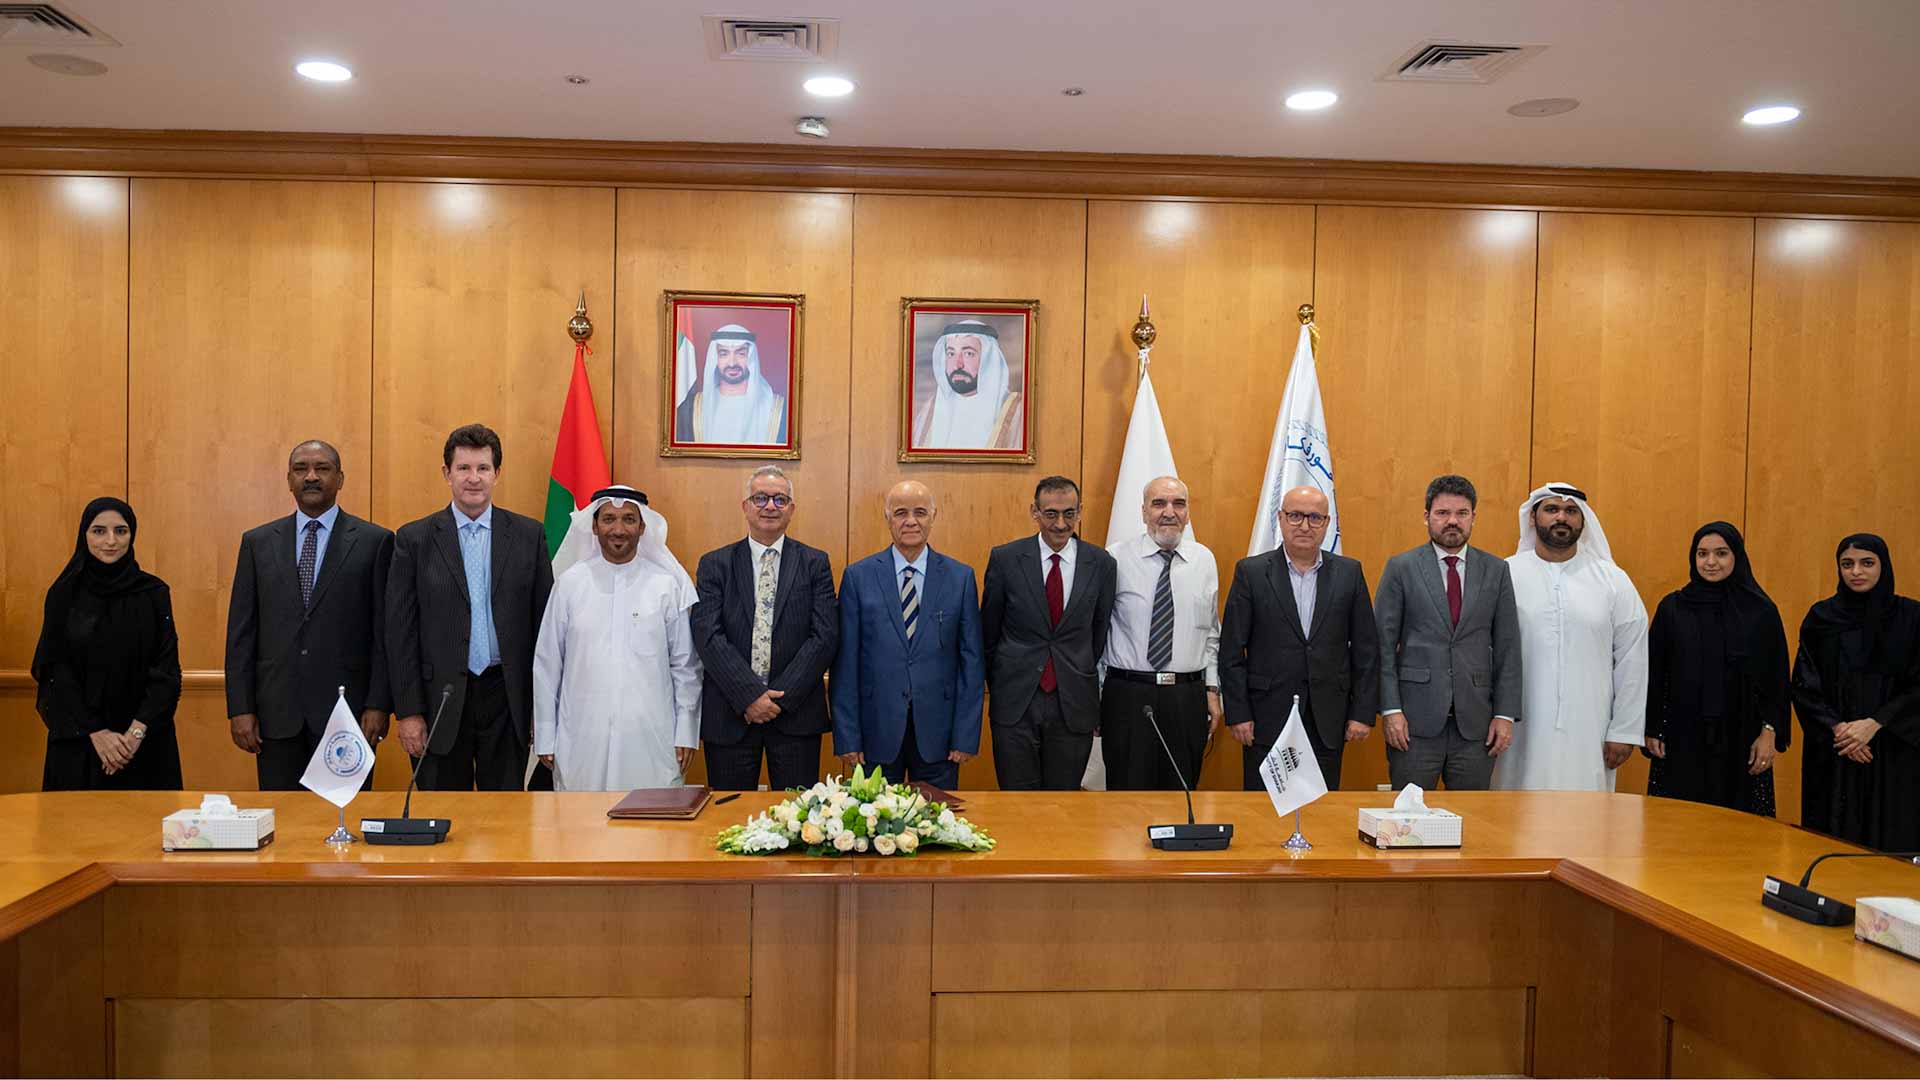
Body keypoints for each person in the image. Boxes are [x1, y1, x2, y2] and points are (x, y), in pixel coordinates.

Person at [386, 424, 554, 791]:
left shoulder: (528, 536)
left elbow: (546, 629)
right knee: (443, 812)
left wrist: (541, 711)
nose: (473, 478)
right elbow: (400, 634)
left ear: (497, 473)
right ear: (446, 473)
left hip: (507, 698)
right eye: (463, 468)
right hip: (439, 699)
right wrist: (409, 712)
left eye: (483, 468)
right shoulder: (414, 539)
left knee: (506, 814)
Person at [225, 440, 394, 790]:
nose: (311, 476)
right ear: (289, 479)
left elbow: (384, 633)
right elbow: (242, 633)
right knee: (282, 818)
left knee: (343, 815)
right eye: (301, 469)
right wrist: (240, 707)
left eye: (322, 468)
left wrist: (378, 703)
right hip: (276, 714)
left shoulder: (374, 542)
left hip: (348, 715)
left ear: (340, 479)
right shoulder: (257, 543)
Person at [533, 487, 702, 791]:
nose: (619, 529)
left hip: (651, 738)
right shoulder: (570, 584)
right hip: (581, 739)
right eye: (609, 519)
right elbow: (547, 665)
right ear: (594, 526)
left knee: (650, 817)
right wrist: (546, 736)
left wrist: (686, 732)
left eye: (629, 519)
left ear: (643, 527)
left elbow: (685, 666)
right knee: (579, 818)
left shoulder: (666, 585)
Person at [1220, 487, 1379, 790]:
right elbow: (1231, 651)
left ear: (1327, 523)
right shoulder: (1251, 572)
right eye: (1295, 516)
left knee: (1322, 808)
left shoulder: (1349, 573)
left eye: (1315, 517)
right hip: (1266, 718)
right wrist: (1238, 714)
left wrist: (1362, 713)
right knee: (1264, 808)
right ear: (1280, 518)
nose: (1305, 525)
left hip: (1327, 719)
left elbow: (1366, 651)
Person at [691, 466, 838, 791]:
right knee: (728, 813)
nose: (770, 506)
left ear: (791, 509)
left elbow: (824, 636)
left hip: (795, 716)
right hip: (730, 714)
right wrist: (750, 696)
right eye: (760, 498)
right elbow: (708, 635)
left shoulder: (815, 563)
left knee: (800, 814)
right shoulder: (715, 564)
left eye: (779, 499)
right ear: (745, 506)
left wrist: (777, 700)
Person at [831, 480, 984, 790]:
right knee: (874, 818)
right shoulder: (858, 577)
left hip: (940, 737)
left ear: (933, 516)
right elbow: (845, 662)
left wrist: (965, 735)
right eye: (901, 513)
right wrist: (848, 736)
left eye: (920, 512)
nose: (911, 521)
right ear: (888, 517)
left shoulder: (960, 577)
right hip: (874, 733)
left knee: (937, 818)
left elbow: (972, 662)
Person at [1496, 483, 1649, 792]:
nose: (1561, 517)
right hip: (1517, 729)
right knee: (1514, 808)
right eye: (1552, 509)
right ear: (1533, 518)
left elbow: (1633, 658)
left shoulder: (1613, 580)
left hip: (1590, 729)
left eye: (1571, 511)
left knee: (1585, 810)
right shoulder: (1505, 574)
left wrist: (1624, 730)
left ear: (1583, 520)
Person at [1374, 474, 1522, 791]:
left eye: (1461, 513)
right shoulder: (1402, 567)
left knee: (1474, 816)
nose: (1452, 521)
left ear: (1473, 517)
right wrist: (1391, 710)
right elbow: (1382, 647)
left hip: (1477, 728)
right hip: (1413, 725)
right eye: (1442, 513)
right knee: (1409, 816)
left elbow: (1508, 647)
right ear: (1426, 516)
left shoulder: (1496, 570)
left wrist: (1505, 714)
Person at [32, 497, 183, 791]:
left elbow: (166, 669)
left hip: (143, 743)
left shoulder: (153, 592)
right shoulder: (64, 594)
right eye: (99, 531)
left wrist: (134, 734)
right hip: (80, 742)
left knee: (147, 820)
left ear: (132, 535)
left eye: (121, 531)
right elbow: (56, 671)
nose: (111, 541)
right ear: (84, 535)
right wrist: (97, 733)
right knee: (75, 820)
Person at [981, 476, 1117, 790]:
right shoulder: (1006, 559)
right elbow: (988, 631)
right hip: (1016, 701)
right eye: (1051, 514)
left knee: (1063, 802)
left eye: (1069, 513)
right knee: (1017, 802)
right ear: (1035, 512)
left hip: (1073, 701)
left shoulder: (1101, 563)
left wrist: (1074, 668)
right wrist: (1000, 681)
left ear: (1080, 511)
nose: (1060, 524)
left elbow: (1099, 632)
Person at [1644, 522, 1789, 817]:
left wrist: (1769, 733)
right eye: (1702, 554)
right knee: (1677, 823)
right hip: (1682, 736)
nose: (1710, 562)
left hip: (1742, 737)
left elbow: (1776, 680)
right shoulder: (1673, 608)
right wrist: (1652, 727)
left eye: (1721, 553)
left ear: (1737, 556)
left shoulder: (1761, 612)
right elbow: (1655, 673)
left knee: (1741, 827)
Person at [1790, 534, 1920, 850]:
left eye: (1867, 563)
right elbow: (1804, 683)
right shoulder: (1821, 617)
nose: (1856, 572)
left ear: (1883, 566)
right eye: (1847, 564)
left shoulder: (1911, 617)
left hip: (1893, 749)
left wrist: (1874, 724)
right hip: (1836, 749)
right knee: (1831, 839)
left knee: (1892, 840)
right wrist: (1840, 730)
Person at [1102, 476, 1222, 791]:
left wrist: (1212, 689)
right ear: (1144, 512)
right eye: (1159, 504)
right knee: (1126, 797)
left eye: (1178, 504)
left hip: (1186, 698)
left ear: (1188, 513)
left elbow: (1211, 634)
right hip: (1127, 696)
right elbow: (1098, 631)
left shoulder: (1204, 560)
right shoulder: (1114, 558)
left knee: (1181, 794)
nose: (1169, 512)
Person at [909, 320, 1024, 450]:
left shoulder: (1015, 410)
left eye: (968, 353)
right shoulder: (931, 409)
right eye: (951, 353)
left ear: (988, 360)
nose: (957, 364)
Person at [674, 325, 788, 445]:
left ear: (751, 358)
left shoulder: (778, 410)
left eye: (741, 354)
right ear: (715, 359)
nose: (732, 363)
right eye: (724, 354)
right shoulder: (691, 409)